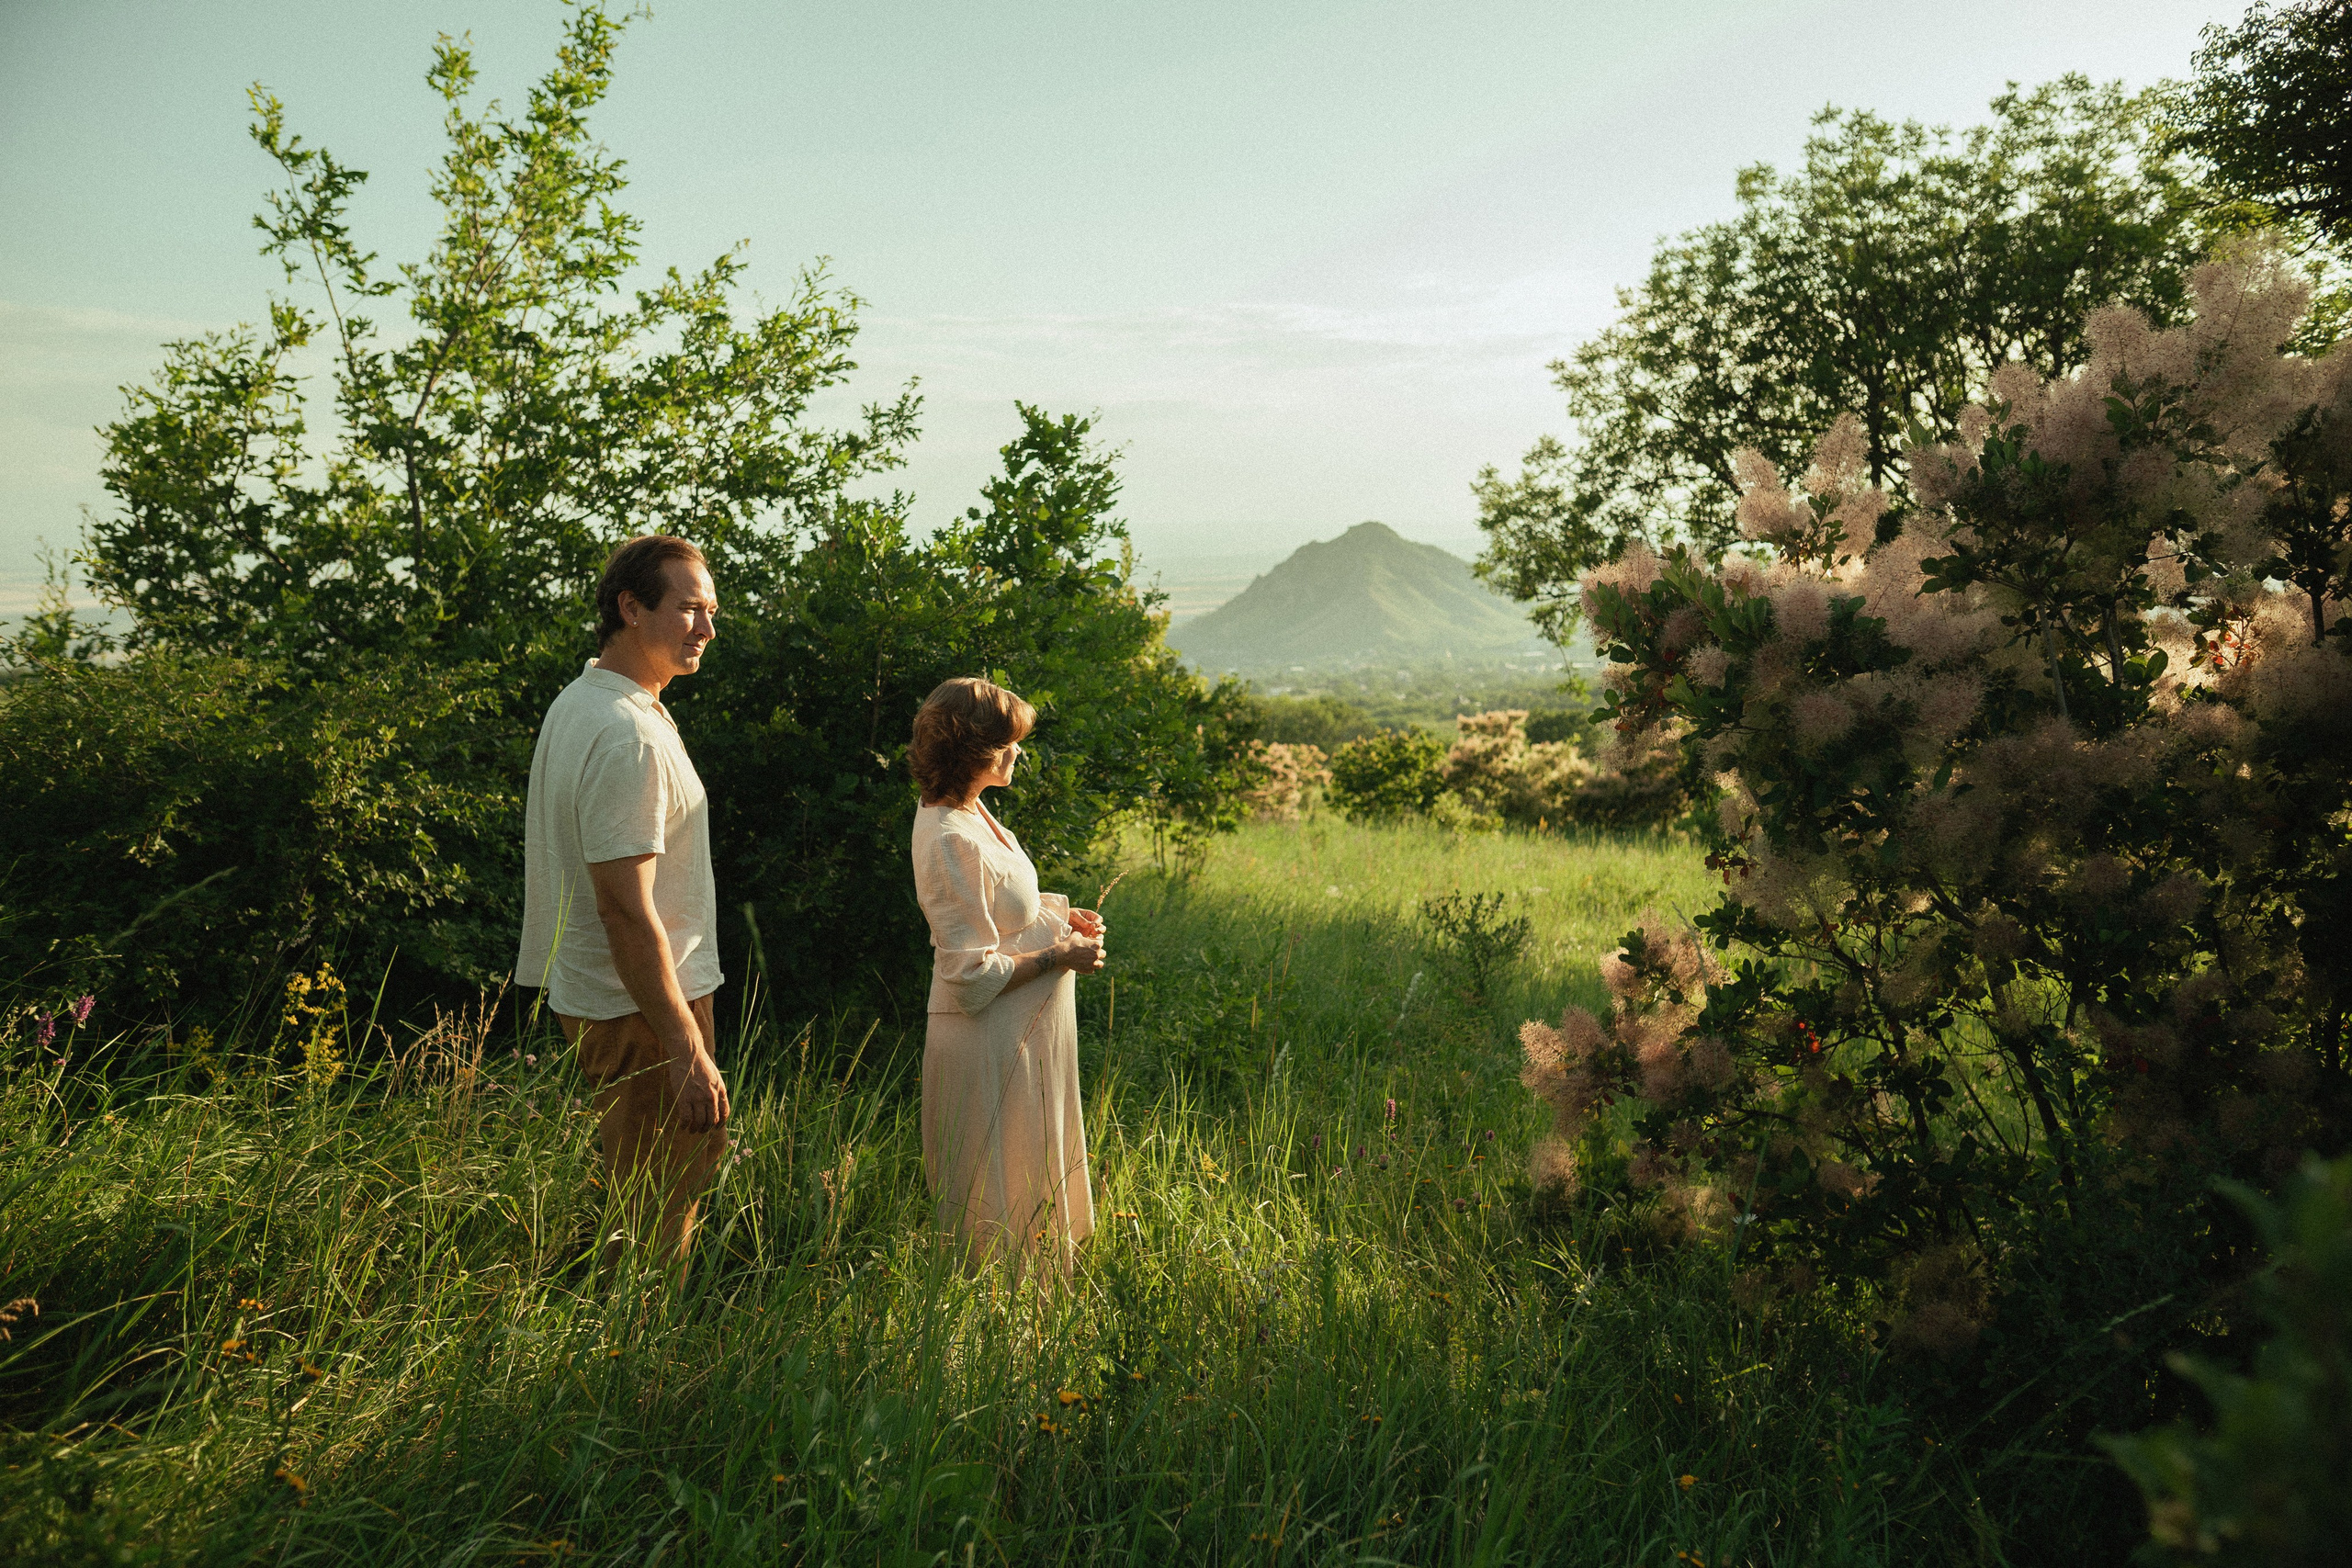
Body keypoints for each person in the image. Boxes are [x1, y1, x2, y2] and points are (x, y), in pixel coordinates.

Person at [517, 534, 730, 1279]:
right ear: (630, 608)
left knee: (643, 1201)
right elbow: (624, 910)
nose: (706, 627)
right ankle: (642, 1377)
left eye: (711, 610)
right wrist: (683, 1045)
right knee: (660, 1214)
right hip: (640, 1006)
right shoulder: (627, 732)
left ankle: (619, 1359)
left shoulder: (585, 701)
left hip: (622, 1001)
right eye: (689, 609)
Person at [909, 677, 1105, 1273]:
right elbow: (969, 973)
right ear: (972, 749)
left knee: (1029, 1187)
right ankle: (998, 1344)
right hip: (988, 1045)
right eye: (1008, 742)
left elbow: (993, 903)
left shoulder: (971, 810)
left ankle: (1037, 1334)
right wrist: (1059, 955)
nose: (1018, 752)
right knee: (999, 1204)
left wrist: (1055, 915)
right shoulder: (946, 835)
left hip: (1019, 1040)